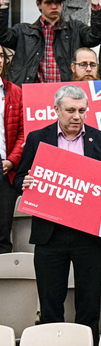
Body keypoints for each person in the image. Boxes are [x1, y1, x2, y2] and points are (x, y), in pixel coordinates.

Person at [14, 85, 101, 344]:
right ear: (56, 110)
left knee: (89, 307)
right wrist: (26, 182)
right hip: (50, 236)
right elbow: (18, 177)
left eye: (81, 111)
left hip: (89, 236)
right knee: (51, 305)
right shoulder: (36, 138)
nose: (77, 116)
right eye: (70, 111)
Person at [0, 0, 101, 85]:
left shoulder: (75, 28)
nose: (54, 6)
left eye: (58, 2)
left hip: (67, 94)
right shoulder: (23, 31)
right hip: (33, 95)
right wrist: (5, 0)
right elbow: (2, 36)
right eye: (48, 2)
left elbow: (97, 37)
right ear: (38, 4)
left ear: (63, 3)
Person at [0, 45, 23, 254]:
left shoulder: (15, 92)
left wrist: (12, 160)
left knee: (3, 233)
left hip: (5, 171)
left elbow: (23, 133)